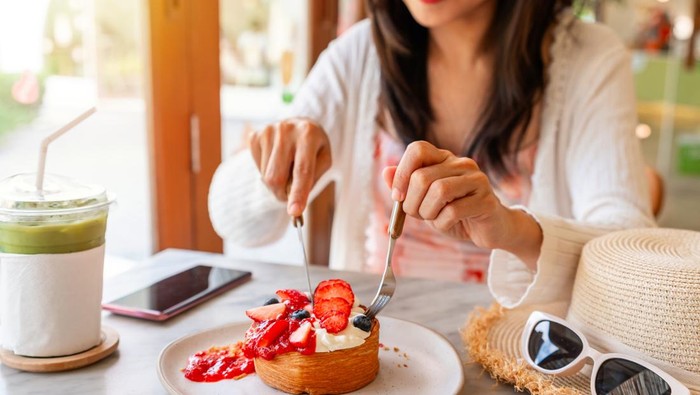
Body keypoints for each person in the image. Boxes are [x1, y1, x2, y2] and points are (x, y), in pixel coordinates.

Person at [209, 0, 654, 308]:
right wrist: (278, 169)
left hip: (520, 358)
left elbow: (632, 255)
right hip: (378, 354)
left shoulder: (588, 59)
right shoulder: (360, 55)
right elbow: (233, 223)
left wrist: (512, 229)